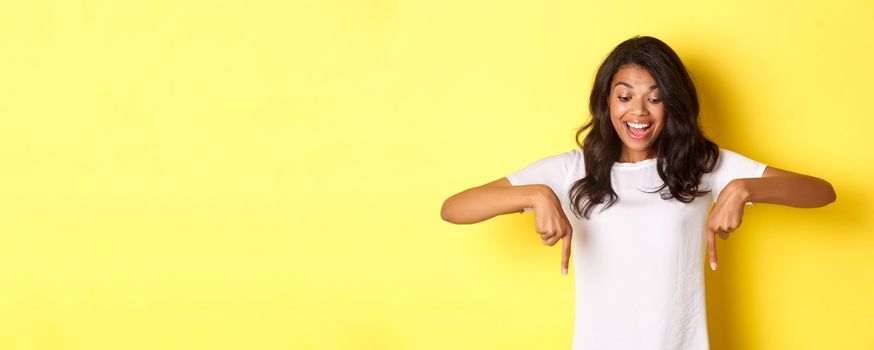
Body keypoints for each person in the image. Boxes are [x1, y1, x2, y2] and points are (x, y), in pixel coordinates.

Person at [440, 35, 836, 350]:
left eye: (655, 97)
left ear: (673, 103)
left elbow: (822, 192)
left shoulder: (701, 165)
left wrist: (742, 188)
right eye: (625, 96)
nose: (639, 112)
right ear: (606, 101)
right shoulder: (571, 170)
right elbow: (454, 208)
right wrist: (537, 195)